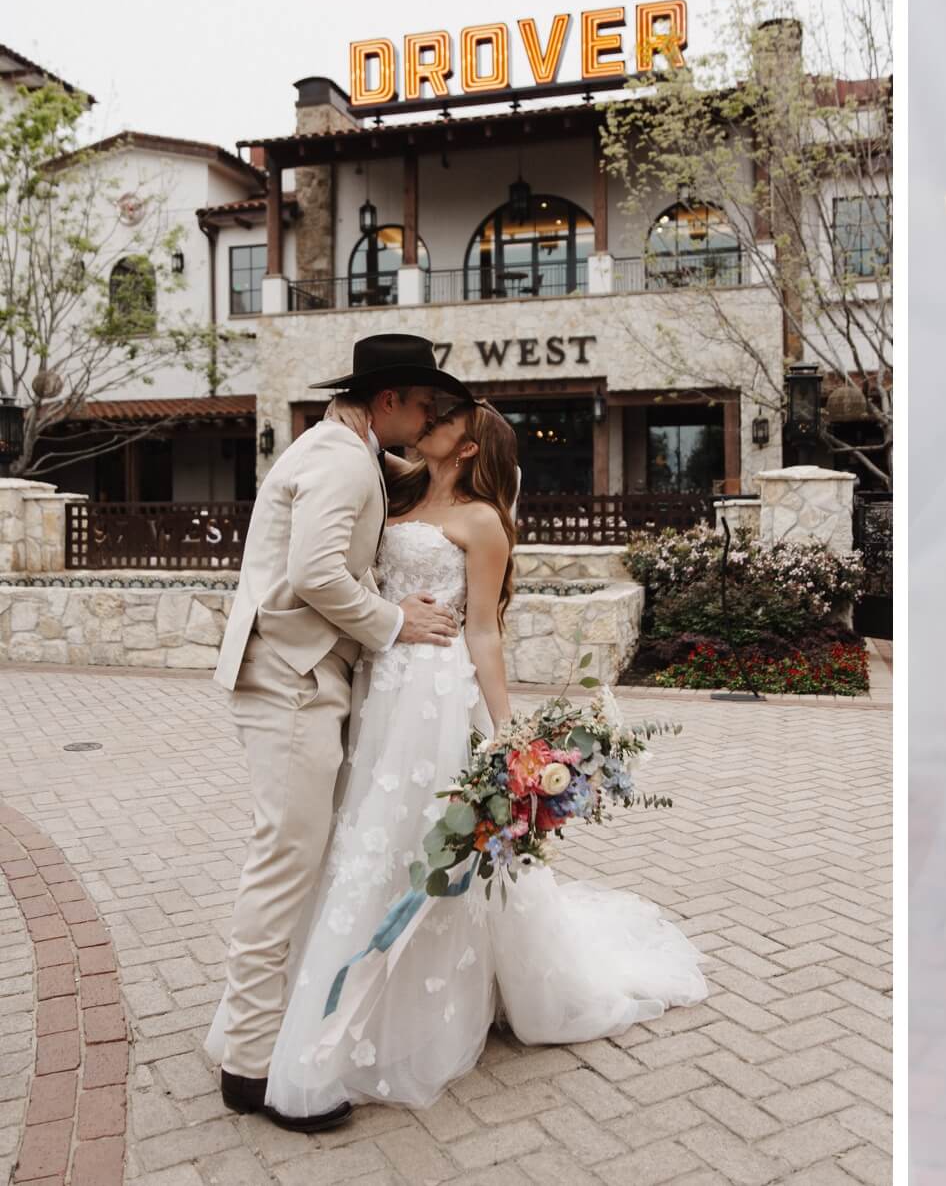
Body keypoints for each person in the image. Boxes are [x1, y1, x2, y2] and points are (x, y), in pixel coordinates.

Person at [203, 393, 708, 1122]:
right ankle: (294, 1004)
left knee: (417, 842)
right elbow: (357, 447)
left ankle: (399, 1006)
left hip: (435, 698)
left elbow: (485, 635)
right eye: (427, 414)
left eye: (446, 421)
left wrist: (510, 742)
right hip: (375, 685)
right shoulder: (395, 481)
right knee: (350, 839)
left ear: (469, 447)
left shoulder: (483, 521)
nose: (430, 423)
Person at [210, 332, 469, 1131]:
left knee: (295, 857)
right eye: (423, 406)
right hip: (290, 683)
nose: (427, 423)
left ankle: (247, 1030)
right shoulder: (338, 456)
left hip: (304, 678)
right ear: (387, 400)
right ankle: (250, 1067)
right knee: (284, 863)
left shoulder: (350, 448)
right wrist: (395, 622)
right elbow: (315, 573)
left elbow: (386, 500)